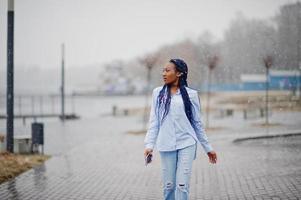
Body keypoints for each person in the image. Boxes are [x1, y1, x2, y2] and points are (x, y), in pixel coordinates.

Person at [143, 58, 217, 200]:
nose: (163, 73)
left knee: (182, 186)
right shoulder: (158, 93)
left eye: (167, 70)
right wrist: (149, 145)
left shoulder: (192, 95)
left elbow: (197, 124)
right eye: (163, 70)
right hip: (166, 145)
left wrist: (208, 148)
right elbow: (154, 121)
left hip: (187, 144)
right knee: (169, 186)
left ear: (179, 73)